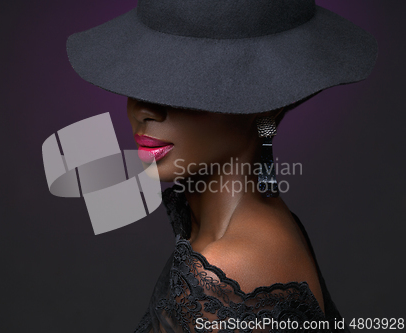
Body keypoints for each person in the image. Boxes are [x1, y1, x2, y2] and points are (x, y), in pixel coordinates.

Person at [66, 0, 377, 332]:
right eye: (140, 79)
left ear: (267, 106)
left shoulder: (231, 269)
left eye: (182, 87)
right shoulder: (230, 238)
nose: (145, 111)